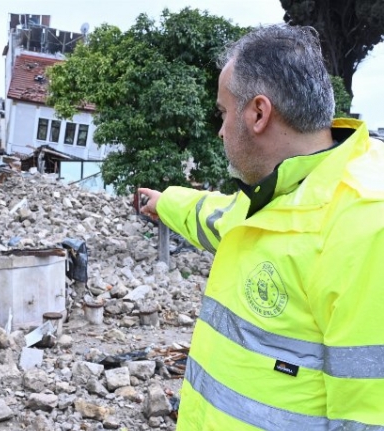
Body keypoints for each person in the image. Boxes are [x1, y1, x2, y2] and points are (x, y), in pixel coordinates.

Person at [139, 24, 384, 430]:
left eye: (222, 112)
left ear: (258, 113)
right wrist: (165, 203)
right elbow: (215, 216)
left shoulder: (366, 226)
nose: (219, 130)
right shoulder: (279, 195)